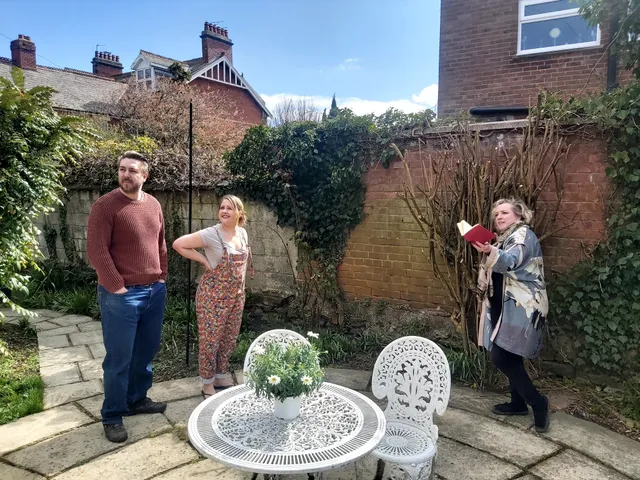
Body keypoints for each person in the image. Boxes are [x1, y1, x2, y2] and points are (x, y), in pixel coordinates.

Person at [87, 151, 168, 443]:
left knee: (145, 353)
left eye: (132, 170)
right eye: (122, 169)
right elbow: (96, 250)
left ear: (144, 175)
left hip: (153, 292)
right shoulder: (105, 206)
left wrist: (161, 276)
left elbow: (160, 242)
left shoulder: (154, 204)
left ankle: (136, 400)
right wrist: (116, 286)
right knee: (118, 360)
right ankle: (112, 415)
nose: (126, 175)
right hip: (121, 296)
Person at [473, 198, 550, 433]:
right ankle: (517, 403)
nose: (499, 217)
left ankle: (538, 403)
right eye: (496, 214)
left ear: (519, 215)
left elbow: (512, 261)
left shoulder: (523, 236)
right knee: (511, 355)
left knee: (501, 357)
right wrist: (491, 248)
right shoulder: (505, 238)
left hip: (521, 307)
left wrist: (490, 251)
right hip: (505, 307)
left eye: (504, 212)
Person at [172, 195, 253, 398]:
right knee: (210, 340)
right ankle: (207, 383)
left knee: (228, 339)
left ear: (239, 213)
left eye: (229, 208)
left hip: (236, 297)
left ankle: (219, 374)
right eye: (222, 207)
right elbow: (179, 244)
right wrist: (202, 259)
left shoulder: (242, 234)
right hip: (212, 299)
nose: (224, 211)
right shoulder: (211, 234)